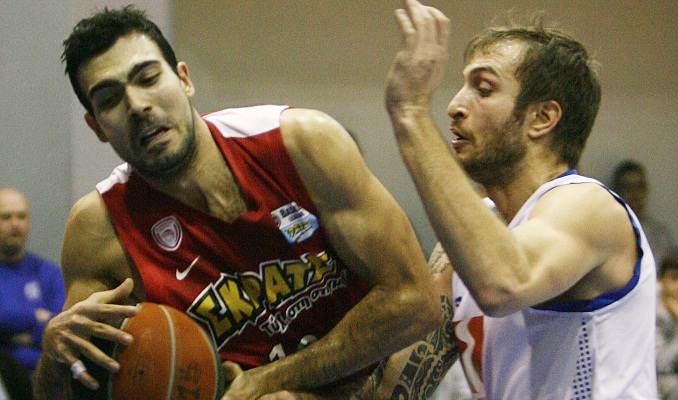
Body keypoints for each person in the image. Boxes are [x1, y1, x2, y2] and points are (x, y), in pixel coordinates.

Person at [32, 5, 441, 399]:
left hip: (387, 384)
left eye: (148, 78)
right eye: (109, 100)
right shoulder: (99, 229)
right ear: (97, 127)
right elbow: (67, 389)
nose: (137, 106)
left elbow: (415, 301)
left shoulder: (301, 142)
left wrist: (268, 381)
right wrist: (54, 354)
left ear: (184, 79)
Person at [370, 0, 657, 398]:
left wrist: (411, 112)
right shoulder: (463, 245)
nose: (454, 106)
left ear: (542, 118)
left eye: (483, 88)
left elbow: (503, 283)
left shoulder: (589, 205)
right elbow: (393, 387)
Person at [0, 187, 65, 376]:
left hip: (47, 377)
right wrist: (36, 316)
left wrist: (14, 337)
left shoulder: (49, 272)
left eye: (21, 217)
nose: (15, 224)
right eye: (6, 217)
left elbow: (61, 326)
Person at [612, 159, 675, 268]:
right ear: (616, 192)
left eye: (639, 187)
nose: (634, 193)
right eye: (627, 187)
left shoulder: (660, 236)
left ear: (645, 191)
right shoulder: (606, 231)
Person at [657, 247, 678, 399]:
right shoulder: (652, 312)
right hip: (660, 381)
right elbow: (661, 364)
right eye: (674, 278)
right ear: (661, 279)